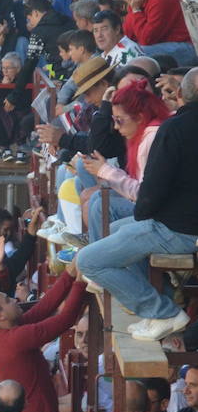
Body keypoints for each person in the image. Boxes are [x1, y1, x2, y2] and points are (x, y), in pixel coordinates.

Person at [76, 68, 198, 341]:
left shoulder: (172, 129)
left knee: (87, 260)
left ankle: (162, 311)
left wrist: (143, 215)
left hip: (179, 229)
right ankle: (156, 303)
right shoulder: (170, 127)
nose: (117, 129)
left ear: (180, 94)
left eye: (119, 121)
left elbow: (151, 192)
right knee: (115, 229)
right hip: (180, 223)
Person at [0, 266, 87, 412]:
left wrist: (70, 274)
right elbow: (65, 320)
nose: (14, 300)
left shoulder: (2, 332)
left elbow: (43, 309)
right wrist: (80, 281)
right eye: (8, 300)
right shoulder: (15, 339)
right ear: (0, 316)